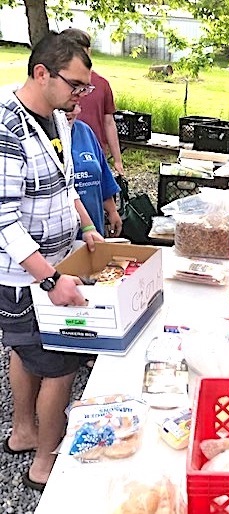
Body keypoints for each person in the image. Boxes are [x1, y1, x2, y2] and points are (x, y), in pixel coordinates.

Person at [0, 31, 104, 491]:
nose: (81, 95)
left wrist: (86, 226)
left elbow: (64, 186)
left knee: (22, 350)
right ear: (41, 73)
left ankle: (24, 431)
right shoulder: (7, 130)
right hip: (28, 277)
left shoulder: (56, 119)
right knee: (60, 365)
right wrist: (49, 281)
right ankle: (46, 461)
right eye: (75, 85)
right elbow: (4, 221)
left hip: (56, 262)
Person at [61, 28, 125, 175]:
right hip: (63, 151)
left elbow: (108, 122)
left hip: (94, 154)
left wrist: (117, 159)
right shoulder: (56, 84)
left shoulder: (102, 84)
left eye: (83, 52)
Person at [66, 104, 122, 238]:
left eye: (74, 107)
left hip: (94, 232)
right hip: (65, 237)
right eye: (63, 109)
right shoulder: (45, 139)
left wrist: (112, 211)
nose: (69, 113)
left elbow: (102, 177)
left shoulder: (85, 131)